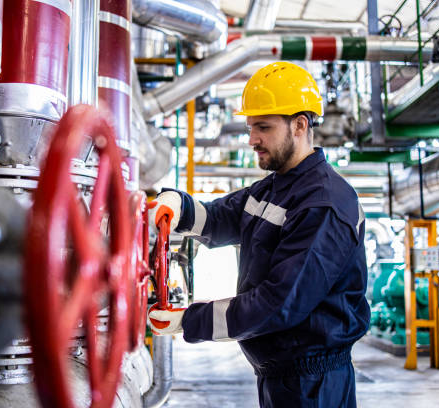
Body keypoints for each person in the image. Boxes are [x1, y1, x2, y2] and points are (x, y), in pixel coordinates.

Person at [147, 61, 370, 408]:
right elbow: (221, 217)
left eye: (263, 127)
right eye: (251, 127)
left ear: (299, 125)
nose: (252, 140)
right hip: (280, 375)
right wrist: (179, 208)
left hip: (314, 385)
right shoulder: (274, 189)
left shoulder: (324, 203)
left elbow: (278, 304)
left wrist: (190, 321)